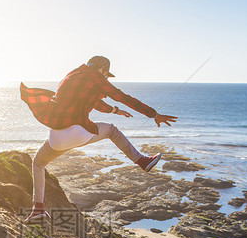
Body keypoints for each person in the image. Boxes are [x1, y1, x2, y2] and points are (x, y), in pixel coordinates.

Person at [20, 56, 177, 223]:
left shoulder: (71, 76)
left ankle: (38, 209)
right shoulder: (96, 78)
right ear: (101, 69)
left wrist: (116, 111)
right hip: (78, 132)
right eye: (106, 74)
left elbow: (96, 103)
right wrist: (154, 114)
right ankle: (142, 161)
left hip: (56, 136)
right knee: (111, 130)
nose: (107, 78)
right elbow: (123, 97)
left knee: (38, 163)